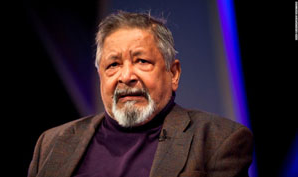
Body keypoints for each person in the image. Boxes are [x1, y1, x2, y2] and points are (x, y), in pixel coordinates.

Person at [28, 11, 253, 177]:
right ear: (100, 76)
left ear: (173, 73)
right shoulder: (52, 143)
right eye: (113, 64)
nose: (126, 76)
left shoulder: (218, 141)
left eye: (142, 61)